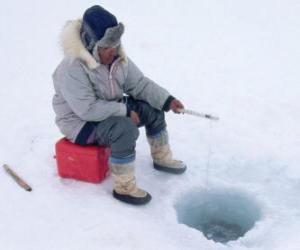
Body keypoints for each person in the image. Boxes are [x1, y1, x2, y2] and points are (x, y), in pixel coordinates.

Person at [52, 5, 187, 205]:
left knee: (152, 108)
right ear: (91, 42)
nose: (112, 51)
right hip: (79, 123)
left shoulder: (118, 58)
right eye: (106, 47)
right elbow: (87, 109)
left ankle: (162, 157)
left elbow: (139, 84)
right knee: (125, 129)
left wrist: (167, 100)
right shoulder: (71, 68)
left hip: (108, 108)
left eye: (115, 45)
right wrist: (125, 111)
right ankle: (124, 188)